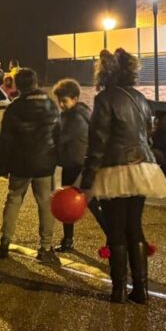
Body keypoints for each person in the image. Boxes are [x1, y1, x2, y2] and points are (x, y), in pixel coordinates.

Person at [83, 49, 166, 304]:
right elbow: (147, 134)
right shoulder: (140, 98)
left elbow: (98, 141)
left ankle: (119, 289)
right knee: (134, 226)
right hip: (143, 167)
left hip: (115, 167)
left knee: (116, 230)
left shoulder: (104, 99)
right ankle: (141, 289)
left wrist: (87, 179)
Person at [0, 69, 61, 263]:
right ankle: (45, 247)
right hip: (44, 163)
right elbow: (58, 134)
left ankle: (5, 241)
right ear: (35, 82)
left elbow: (5, 139)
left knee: (14, 199)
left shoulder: (15, 107)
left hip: (20, 163)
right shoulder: (50, 105)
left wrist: (2, 165)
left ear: (17, 85)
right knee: (45, 203)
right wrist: (57, 158)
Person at [52, 78, 103, 253]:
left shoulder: (76, 118)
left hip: (77, 166)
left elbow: (61, 138)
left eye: (64, 101)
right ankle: (68, 240)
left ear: (75, 99)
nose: (61, 105)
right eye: (59, 101)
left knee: (88, 204)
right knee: (70, 205)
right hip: (74, 164)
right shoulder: (76, 114)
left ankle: (113, 238)